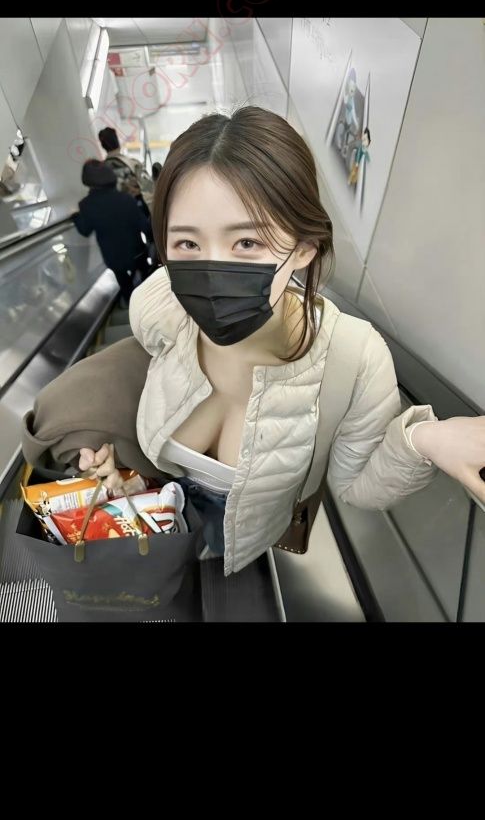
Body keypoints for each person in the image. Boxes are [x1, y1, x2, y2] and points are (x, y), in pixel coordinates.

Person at [48, 108, 485, 574]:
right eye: (188, 244)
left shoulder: (353, 358)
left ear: (303, 248)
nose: (211, 271)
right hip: (161, 509)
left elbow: (357, 485)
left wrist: (424, 440)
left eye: (247, 243)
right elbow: (149, 374)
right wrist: (123, 469)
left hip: (248, 540)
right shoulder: (160, 307)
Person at [71, 160, 151, 304]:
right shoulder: (126, 198)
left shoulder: (86, 205)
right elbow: (144, 226)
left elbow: (85, 230)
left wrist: (75, 216)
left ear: (87, 180)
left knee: (125, 285)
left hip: (114, 258)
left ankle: (132, 305)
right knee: (147, 281)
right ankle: (151, 303)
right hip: (137, 252)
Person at [98, 126, 154, 209]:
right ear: (117, 142)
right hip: (137, 209)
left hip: (113, 210)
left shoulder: (99, 170)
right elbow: (149, 188)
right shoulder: (133, 163)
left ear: (103, 146)